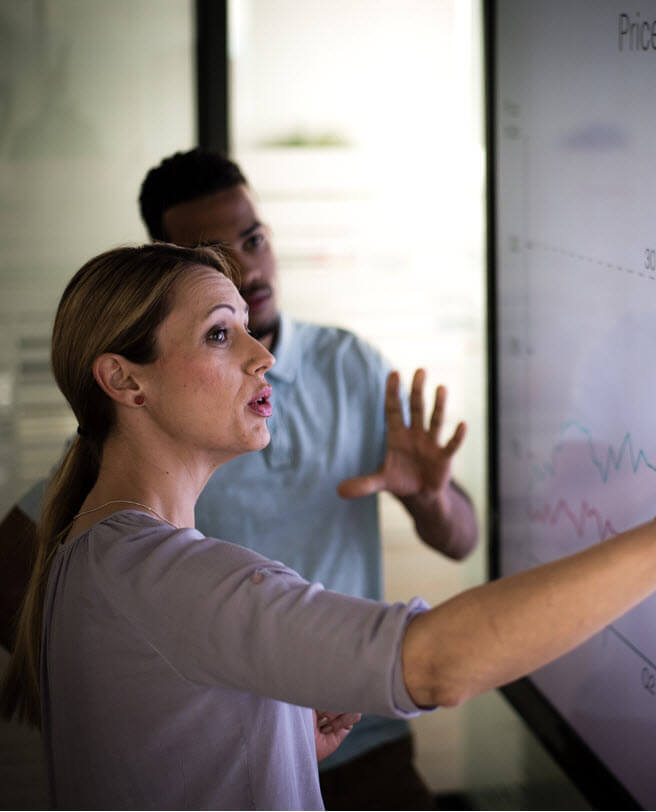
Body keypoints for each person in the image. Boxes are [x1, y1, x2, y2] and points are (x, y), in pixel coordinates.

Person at [0, 242, 656, 809]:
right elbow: (436, 668)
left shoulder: (91, 554)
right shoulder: (168, 573)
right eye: (220, 336)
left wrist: (278, 737)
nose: (263, 356)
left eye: (249, 329)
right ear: (123, 380)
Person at [0, 148, 478, 807]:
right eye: (219, 333)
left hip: (342, 735)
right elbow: (436, 662)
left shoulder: (350, 366)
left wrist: (427, 498)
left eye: (254, 239)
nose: (248, 266)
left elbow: (461, 540)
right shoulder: (154, 543)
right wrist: (161, 714)